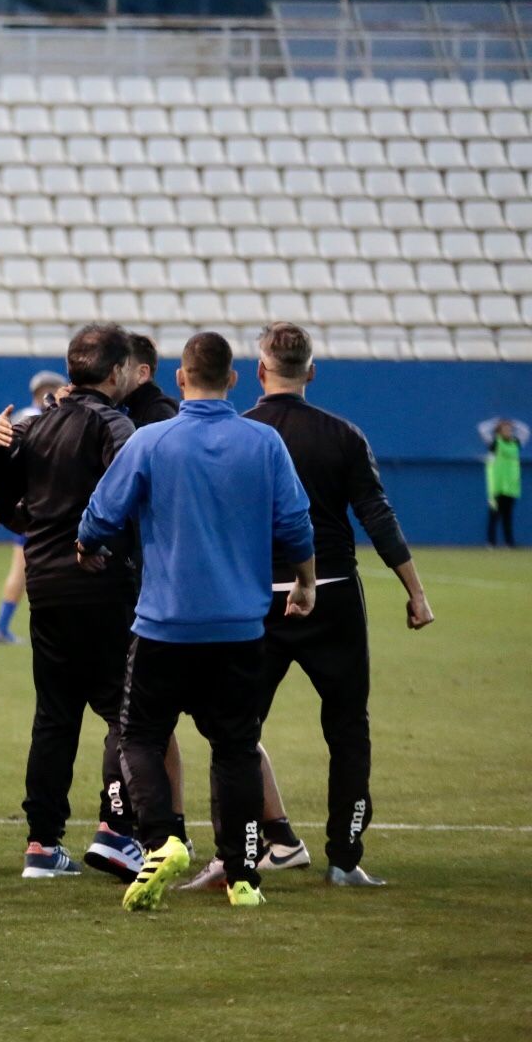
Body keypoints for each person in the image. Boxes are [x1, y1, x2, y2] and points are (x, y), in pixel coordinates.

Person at [181, 323, 436, 891]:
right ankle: (345, 859)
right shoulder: (344, 436)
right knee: (347, 729)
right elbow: (377, 516)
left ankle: (236, 858)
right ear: (312, 372)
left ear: (259, 371)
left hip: (252, 602)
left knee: (235, 734)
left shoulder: (240, 434)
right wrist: (414, 592)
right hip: (335, 594)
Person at [77, 332, 317, 911]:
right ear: (233, 379)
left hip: (164, 626)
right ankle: (242, 876)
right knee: (236, 747)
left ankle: (161, 841)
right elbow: (297, 523)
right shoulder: (264, 443)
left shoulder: (152, 441)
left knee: (137, 735)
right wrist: (306, 583)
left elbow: (102, 515)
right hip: (239, 630)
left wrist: (88, 546)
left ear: (181, 379)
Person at [0, 324, 147, 882]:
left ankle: (42, 846)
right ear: (117, 372)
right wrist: (94, 539)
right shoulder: (114, 423)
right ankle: (117, 831)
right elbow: (135, 487)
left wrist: (39, 527)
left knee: (54, 717)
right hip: (102, 584)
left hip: (44, 587)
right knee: (126, 712)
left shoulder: (35, 425)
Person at [0, 369, 67, 645]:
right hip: (40, 507)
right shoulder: (43, 419)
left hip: (22, 506)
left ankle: (4, 626)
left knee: (22, 567)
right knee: (31, 569)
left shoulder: (19, 417)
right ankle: (5, 627)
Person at [121, 334, 179, 428]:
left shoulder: (160, 411)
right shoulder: (122, 406)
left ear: (142, 373)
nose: (113, 374)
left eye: (120, 367)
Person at [487, 421, 520, 547]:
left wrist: (514, 424)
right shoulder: (495, 444)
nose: (508, 431)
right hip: (496, 487)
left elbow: (526, 432)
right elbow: (482, 429)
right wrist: (496, 422)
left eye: (510, 429)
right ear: (499, 431)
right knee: (494, 516)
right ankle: (491, 542)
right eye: (505, 429)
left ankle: (509, 543)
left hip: (510, 487)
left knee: (508, 516)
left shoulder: (515, 443)